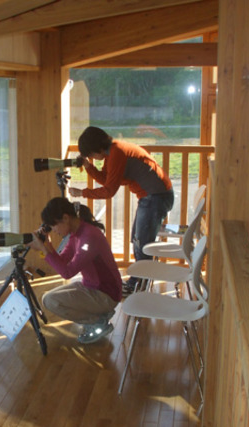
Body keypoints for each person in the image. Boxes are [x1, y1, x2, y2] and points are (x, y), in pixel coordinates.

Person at [68, 126, 174, 295]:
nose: (93, 158)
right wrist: (89, 167)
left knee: (142, 244)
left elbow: (109, 191)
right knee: (138, 240)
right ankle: (137, 283)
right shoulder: (112, 151)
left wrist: (82, 193)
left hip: (156, 197)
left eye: (91, 154)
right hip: (152, 196)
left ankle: (140, 288)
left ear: (98, 148)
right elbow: (106, 180)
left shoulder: (117, 153)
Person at [29, 197, 122, 344]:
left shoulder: (88, 237)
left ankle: (97, 322)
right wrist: (47, 244)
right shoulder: (76, 233)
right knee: (48, 298)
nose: (54, 230)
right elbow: (63, 259)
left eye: (54, 226)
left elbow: (67, 273)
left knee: (52, 301)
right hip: (92, 287)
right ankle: (100, 314)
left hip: (106, 294)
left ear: (65, 218)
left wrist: (43, 249)